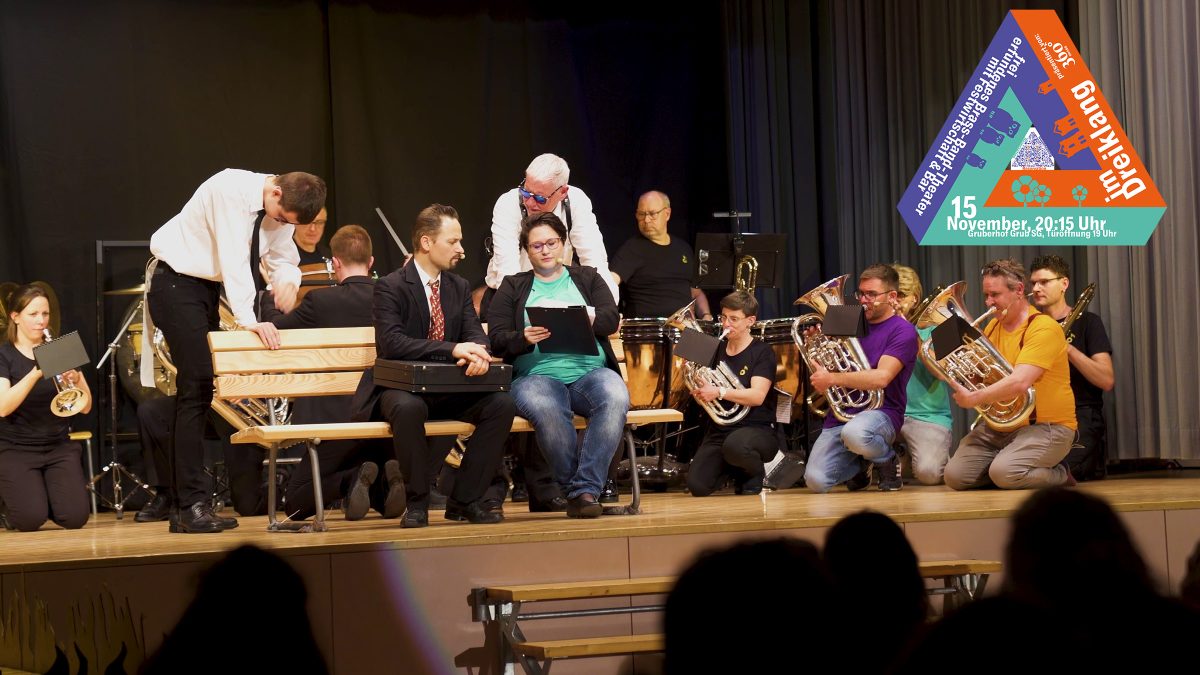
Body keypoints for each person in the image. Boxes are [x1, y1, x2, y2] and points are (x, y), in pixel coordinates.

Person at [147, 169, 325, 533]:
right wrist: (249, 321)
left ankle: (186, 508)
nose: (281, 224)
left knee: (197, 391)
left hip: (204, 290)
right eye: (282, 217)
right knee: (197, 386)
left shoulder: (280, 207)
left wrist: (288, 282)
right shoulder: (228, 188)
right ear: (276, 192)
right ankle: (191, 504)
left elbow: (284, 258)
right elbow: (234, 260)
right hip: (174, 283)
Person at [351, 204, 514, 528]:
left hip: (447, 386)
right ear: (426, 242)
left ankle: (464, 500)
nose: (461, 249)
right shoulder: (391, 286)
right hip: (401, 386)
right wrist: (453, 349)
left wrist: (478, 353)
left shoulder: (458, 286)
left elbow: (474, 333)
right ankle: (417, 503)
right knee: (408, 408)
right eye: (453, 241)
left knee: (502, 405)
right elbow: (393, 343)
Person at [486, 212, 629, 518]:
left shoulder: (588, 278)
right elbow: (496, 340)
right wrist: (523, 338)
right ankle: (583, 493)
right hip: (536, 376)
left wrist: (587, 317)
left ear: (563, 244)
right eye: (536, 246)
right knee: (548, 408)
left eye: (551, 243)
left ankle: (582, 491)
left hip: (590, 373)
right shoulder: (512, 286)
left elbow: (610, 319)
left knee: (615, 395)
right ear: (527, 251)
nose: (545, 250)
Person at [265, 224, 402, 521]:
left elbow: (277, 330)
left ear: (335, 263)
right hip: (384, 417)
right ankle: (384, 482)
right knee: (373, 479)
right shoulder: (394, 299)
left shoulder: (320, 301)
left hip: (333, 421)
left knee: (295, 503)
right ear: (371, 262)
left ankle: (351, 480)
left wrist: (270, 297)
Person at [943, 259, 1076, 490]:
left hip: (1045, 427)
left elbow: (1020, 382)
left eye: (995, 294)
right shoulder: (992, 327)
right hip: (1000, 427)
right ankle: (1010, 468)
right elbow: (982, 377)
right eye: (986, 295)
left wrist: (974, 398)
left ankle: (1060, 474)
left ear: (1019, 290)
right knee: (955, 477)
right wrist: (955, 365)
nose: (988, 302)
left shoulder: (1043, 327)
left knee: (1005, 473)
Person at [803, 264, 918, 493]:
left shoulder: (903, 331)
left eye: (872, 294)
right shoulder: (847, 320)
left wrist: (832, 378)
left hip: (882, 412)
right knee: (816, 481)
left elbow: (882, 378)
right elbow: (832, 371)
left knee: (855, 433)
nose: (864, 300)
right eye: (861, 293)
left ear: (892, 296)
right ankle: (861, 466)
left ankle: (886, 458)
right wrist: (815, 349)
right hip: (842, 414)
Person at [0, 284, 92, 531]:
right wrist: (35, 373)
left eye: (45, 314)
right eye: (33, 314)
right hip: (16, 448)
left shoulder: (60, 348)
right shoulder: (4, 355)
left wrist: (76, 379)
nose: (41, 321)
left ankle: (44, 496)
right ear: (15, 317)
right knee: (29, 520)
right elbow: (3, 408)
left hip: (58, 446)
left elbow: (85, 407)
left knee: (75, 518)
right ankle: (16, 503)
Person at [485, 153, 618, 302]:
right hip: (510, 296)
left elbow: (594, 258)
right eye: (525, 192)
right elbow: (507, 269)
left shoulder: (576, 201)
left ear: (562, 192)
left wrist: (608, 305)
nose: (529, 203)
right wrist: (518, 309)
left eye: (540, 198)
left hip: (558, 296)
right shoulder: (508, 204)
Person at [685, 291, 780, 496]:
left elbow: (757, 396)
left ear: (750, 321)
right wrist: (701, 393)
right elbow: (704, 392)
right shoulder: (715, 349)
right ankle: (734, 470)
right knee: (697, 486)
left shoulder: (762, 352)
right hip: (721, 430)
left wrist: (719, 391)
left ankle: (754, 473)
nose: (726, 324)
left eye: (734, 319)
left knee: (737, 446)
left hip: (757, 429)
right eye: (723, 317)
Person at [1029, 255, 1113, 480]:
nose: (1036, 288)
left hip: (1080, 414)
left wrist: (1065, 348)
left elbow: (1106, 380)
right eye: (1033, 283)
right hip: (1040, 416)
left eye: (1044, 282)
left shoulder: (1089, 322)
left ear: (1064, 283)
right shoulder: (1030, 325)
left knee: (1060, 470)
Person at [893, 264, 953, 485]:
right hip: (888, 413)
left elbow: (943, 373)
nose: (895, 301)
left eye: (901, 295)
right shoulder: (878, 325)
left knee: (929, 474)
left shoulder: (942, 323)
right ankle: (898, 456)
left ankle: (907, 458)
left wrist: (911, 335)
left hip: (927, 415)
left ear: (915, 299)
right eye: (891, 295)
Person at [610, 190, 711, 319]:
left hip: (684, 326)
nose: (646, 220)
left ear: (667, 214)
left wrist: (706, 315)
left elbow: (696, 293)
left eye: (652, 214)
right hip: (648, 327)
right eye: (641, 214)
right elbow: (610, 283)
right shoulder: (631, 249)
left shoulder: (683, 248)